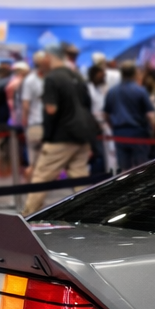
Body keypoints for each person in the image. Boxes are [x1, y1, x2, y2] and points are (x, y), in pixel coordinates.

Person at [25, 47, 97, 214]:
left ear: (49, 57)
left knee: (41, 177)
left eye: (43, 57)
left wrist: (47, 137)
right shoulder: (77, 76)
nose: (40, 61)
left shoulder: (52, 78)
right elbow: (87, 105)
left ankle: (27, 215)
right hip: (82, 135)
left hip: (61, 137)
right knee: (80, 179)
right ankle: (89, 214)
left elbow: (51, 110)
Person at [104, 60, 155, 172]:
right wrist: (154, 131)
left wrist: (114, 128)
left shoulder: (112, 91)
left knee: (124, 170)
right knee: (142, 168)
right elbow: (150, 115)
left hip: (119, 134)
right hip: (138, 133)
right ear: (134, 73)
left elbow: (106, 115)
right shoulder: (140, 90)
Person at [19, 51, 49, 167]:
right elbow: (25, 105)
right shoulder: (49, 78)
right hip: (43, 124)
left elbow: (25, 104)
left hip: (36, 124)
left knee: (35, 163)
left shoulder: (29, 80)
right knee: (45, 162)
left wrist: (24, 122)